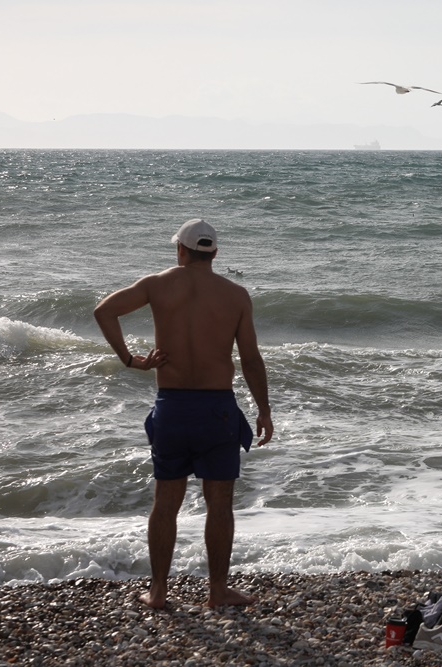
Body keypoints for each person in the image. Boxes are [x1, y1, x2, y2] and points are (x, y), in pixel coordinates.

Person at [94, 218, 273, 609]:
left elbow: (104, 311)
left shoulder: (157, 284)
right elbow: (250, 359)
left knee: (166, 501)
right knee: (220, 503)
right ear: (214, 254)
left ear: (180, 250)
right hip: (217, 410)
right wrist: (263, 409)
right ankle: (217, 591)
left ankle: (158, 592)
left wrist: (131, 360)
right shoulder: (236, 295)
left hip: (172, 407)